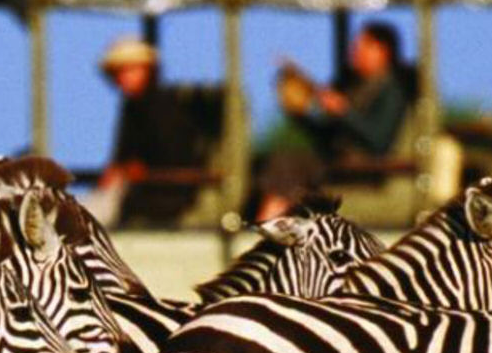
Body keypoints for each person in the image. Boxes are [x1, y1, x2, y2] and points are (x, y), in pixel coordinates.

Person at [253, 22, 410, 220]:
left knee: (287, 166)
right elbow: (328, 135)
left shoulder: (391, 90)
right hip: (338, 161)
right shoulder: (357, 84)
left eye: (361, 47)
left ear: (382, 50)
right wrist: (299, 116)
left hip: (363, 168)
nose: (355, 52)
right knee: (279, 162)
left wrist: (343, 111)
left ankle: (266, 227)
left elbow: (379, 140)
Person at [82, 37, 221, 227]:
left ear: (147, 70)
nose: (122, 77)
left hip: (164, 194)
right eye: (118, 71)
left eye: (129, 69)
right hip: (131, 191)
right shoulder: (131, 107)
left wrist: (137, 171)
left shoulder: (164, 107)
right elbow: (122, 156)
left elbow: (176, 155)